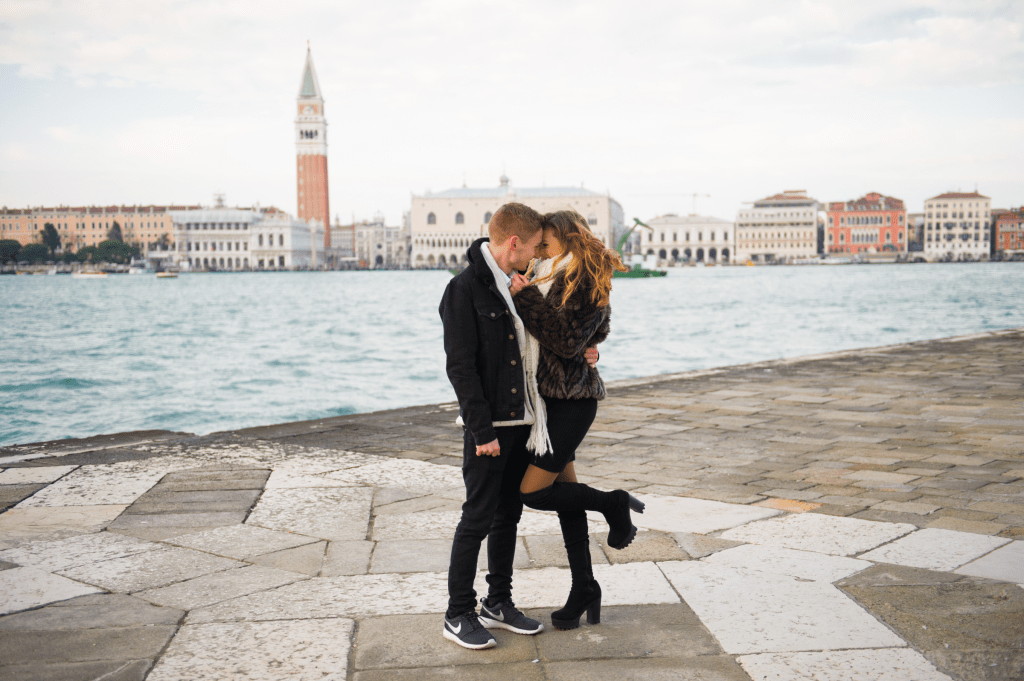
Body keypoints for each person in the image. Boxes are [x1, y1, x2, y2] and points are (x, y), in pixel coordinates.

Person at [438, 202, 599, 649]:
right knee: (477, 517)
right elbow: (461, 368)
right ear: (514, 243)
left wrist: (589, 349)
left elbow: (551, 336)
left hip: (528, 421)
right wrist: (481, 430)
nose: (537, 256)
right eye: (533, 248)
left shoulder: (521, 285)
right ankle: (457, 613)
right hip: (489, 426)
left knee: (508, 515)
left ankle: (498, 602)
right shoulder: (465, 289)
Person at [510, 209, 643, 631]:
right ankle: (584, 586)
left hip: (571, 402)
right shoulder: (547, 272)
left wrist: (525, 297)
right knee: (567, 497)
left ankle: (613, 502)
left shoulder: (581, 277)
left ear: (565, 236)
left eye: (545, 240)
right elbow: (585, 335)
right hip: (548, 403)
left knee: (532, 493)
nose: (540, 247)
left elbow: (568, 341)